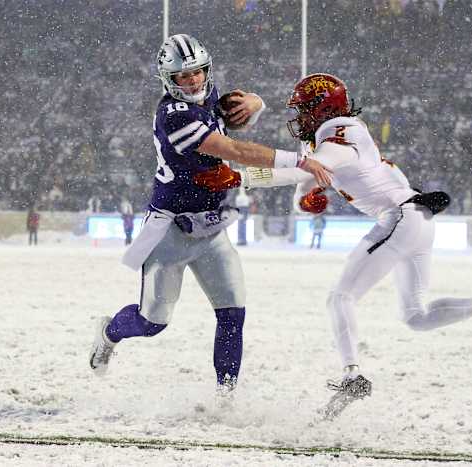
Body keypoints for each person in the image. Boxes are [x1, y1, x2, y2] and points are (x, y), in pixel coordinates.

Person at [197, 73, 472, 416]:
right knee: (416, 316)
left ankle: (351, 375)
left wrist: (242, 176)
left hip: (401, 218)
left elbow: (307, 168)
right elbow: (309, 179)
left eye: (304, 111)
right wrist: (308, 198)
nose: (299, 119)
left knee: (340, 298)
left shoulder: (343, 131)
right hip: (417, 219)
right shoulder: (322, 138)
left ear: (323, 108)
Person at [89, 34, 330, 394]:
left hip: (211, 228)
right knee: (152, 322)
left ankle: (225, 397)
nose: (193, 81)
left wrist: (256, 101)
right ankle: (109, 333)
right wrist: (298, 160)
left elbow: (240, 108)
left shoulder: (208, 99)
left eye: (198, 73)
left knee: (233, 314)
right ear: (168, 79)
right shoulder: (174, 115)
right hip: (171, 231)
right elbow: (233, 148)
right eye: (184, 77)